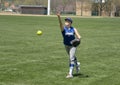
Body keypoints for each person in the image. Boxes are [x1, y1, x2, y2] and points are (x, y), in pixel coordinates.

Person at [57, 13, 82, 78]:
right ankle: (77, 64)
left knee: (71, 58)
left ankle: (70, 74)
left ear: (70, 23)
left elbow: (78, 36)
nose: (66, 22)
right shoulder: (63, 29)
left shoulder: (73, 29)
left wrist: (79, 38)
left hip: (73, 45)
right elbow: (60, 24)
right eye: (66, 21)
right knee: (72, 57)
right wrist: (59, 17)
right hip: (66, 45)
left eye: (68, 21)